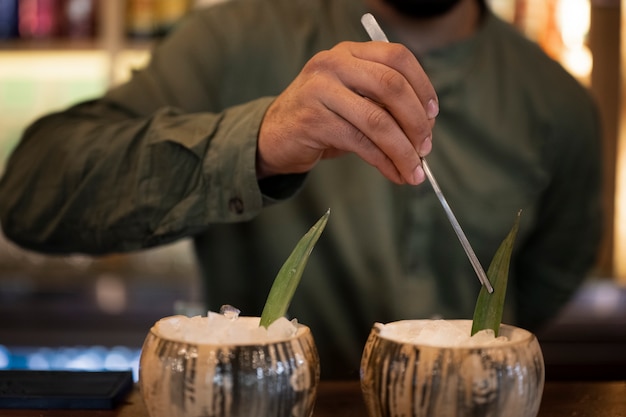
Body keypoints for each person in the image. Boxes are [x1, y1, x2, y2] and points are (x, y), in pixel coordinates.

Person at [0, 0, 602, 379]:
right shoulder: (234, 40)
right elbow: (29, 192)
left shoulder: (558, 102)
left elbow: (550, 277)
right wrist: (256, 139)